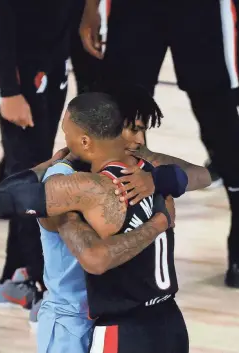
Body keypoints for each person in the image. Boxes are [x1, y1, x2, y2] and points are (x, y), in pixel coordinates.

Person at [0, 90, 211, 352]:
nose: (139, 140)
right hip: (108, 319)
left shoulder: (142, 171)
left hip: (119, 324)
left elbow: (96, 259)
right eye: (133, 129)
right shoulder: (145, 170)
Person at [79, 0, 239, 288]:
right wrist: (91, 7)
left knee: (219, 119)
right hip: (136, 9)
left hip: (202, 10)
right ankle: (130, 236)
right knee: (124, 119)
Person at [0, 0, 80, 312]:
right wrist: (9, 89)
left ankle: (15, 276)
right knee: (28, 170)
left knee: (36, 163)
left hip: (52, 47)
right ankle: (39, 280)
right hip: (14, 56)